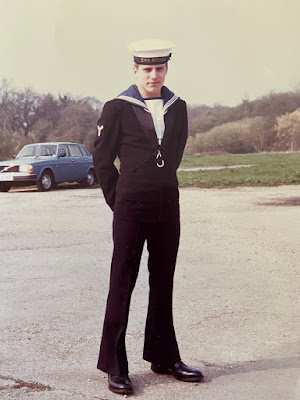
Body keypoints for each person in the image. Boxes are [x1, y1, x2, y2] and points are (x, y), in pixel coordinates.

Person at [93, 39, 204, 395]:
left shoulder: (178, 106)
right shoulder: (117, 107)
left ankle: (164, 357)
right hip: (130, 208)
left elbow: (176, 152)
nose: (153, 75)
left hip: (166, 207)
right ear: (135, 70)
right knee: (122, 283)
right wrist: (119, 200)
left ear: (166, 69)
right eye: (147, 69)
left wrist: (161, 187)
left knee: (163, 282)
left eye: (159, 68)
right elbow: (102, 159)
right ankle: (114, 365)